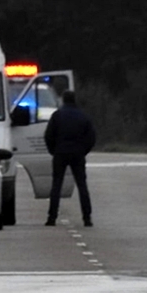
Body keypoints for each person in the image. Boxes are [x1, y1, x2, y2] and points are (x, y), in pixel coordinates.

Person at [44, 91, 96, 226]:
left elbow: (48, 135)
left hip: (60, 152)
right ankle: (87, 217)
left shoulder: (57, 116)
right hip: (77, 153)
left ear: (63, 100)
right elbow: (91, 137)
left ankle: (52, 217)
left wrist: (53, 151)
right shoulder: (83, 116)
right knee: (82, 185)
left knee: (56, 185)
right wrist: (83, 151)